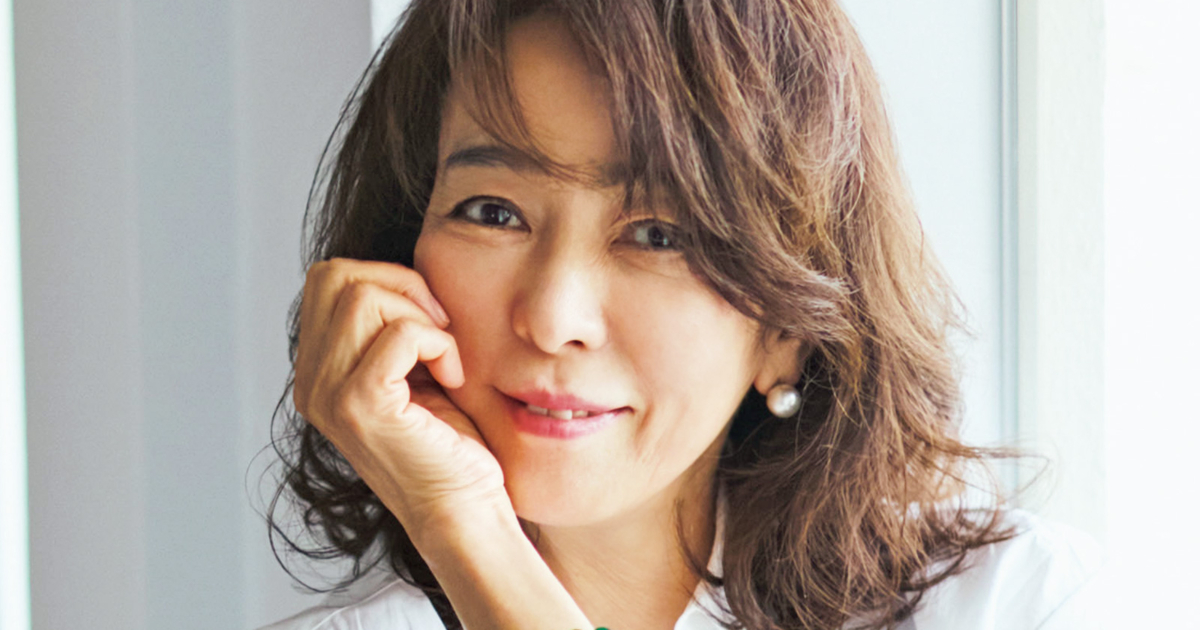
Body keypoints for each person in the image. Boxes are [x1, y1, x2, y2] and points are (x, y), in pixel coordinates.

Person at [262, 1, 1102, 629]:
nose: (553, 318)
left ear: (787, 330)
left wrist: (476, 548)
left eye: (659, 235)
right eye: (493, 212)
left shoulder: (1012, 603)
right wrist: (456, 518)